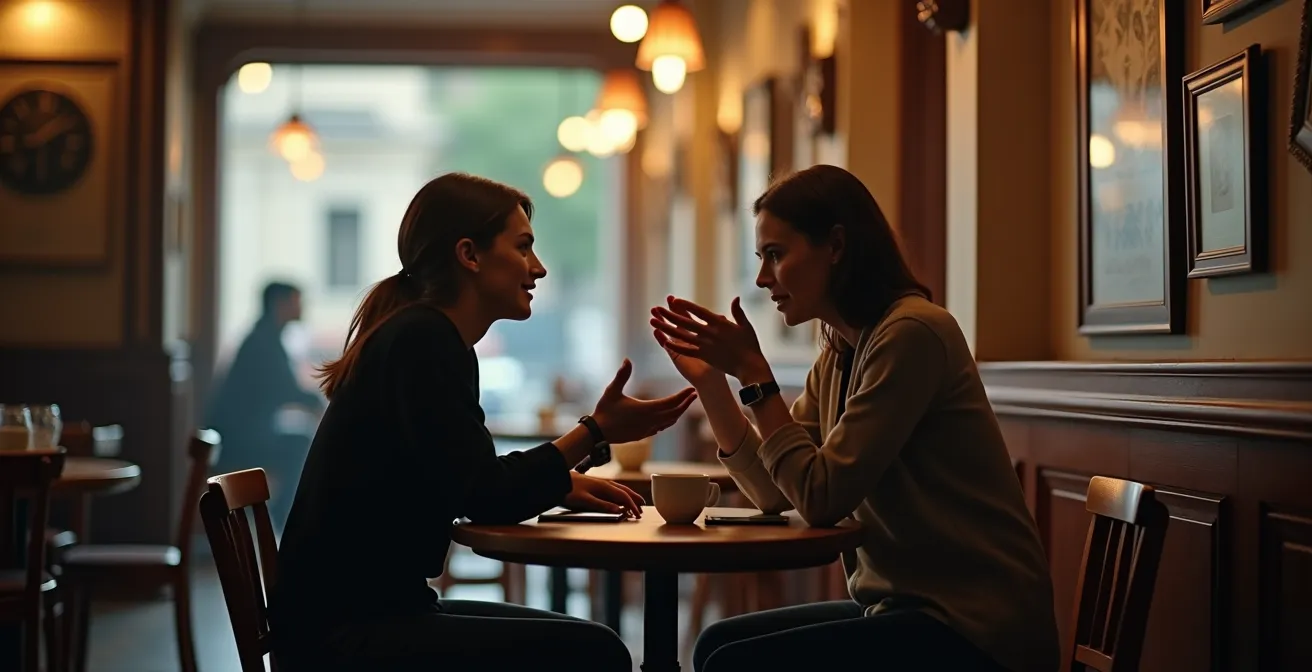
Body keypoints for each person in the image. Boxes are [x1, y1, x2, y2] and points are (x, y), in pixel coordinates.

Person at [269, 173, 697, 672]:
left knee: (590, 641)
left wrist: (557, 483)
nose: (538, 269)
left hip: (359, 617)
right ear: (469, 255)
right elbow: (484, 492)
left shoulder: (424, 335)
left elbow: (463, 475)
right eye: (523, 248)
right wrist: (595, 431)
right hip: (348, 637)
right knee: (596, 652)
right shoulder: (423, 341)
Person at [649, 165, 1060, 672]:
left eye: (775, 255)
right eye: (760, 258)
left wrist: (756, 374)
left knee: (735, 661)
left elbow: (822, 498)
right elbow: (778, 491)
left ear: (836, 245)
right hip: (905, 610)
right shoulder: (842, 349)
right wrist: (714, 383)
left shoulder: (911, 333)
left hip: (976, 628)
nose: (762, 278)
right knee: (717, 645)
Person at [206, 281, 324, 526]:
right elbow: (288, 389)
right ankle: (285, 517)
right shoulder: (264, 342)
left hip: (242, 433)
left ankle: (285, 515)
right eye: (296, 301)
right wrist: (321, 404)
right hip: (239, 439)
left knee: (298, 440)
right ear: (279, 304)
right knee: (299, 443)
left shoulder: (264, 336)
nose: (302, 307)